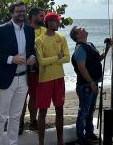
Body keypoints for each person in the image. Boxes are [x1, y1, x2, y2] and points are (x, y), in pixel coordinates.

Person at [0, 1, 36, 145]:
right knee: (0, 117)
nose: (21, 14)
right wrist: (11, 59)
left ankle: (12, 143)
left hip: (23, 79)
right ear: (11, 13)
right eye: (18, 11)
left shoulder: (29, 30)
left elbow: (31, 50)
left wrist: (32, 57)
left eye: (23, 11)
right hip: (4, 79)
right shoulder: (2, 29)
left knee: (16, 116)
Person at [70, 25, 110, 145]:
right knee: (84, 111)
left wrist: (107, 47)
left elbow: (98, 58)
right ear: (77, 35)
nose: (83, 28)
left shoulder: (90, 45)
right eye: (80, 29)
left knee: (90, 111)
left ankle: (89, 133)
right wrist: (91, 82)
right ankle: (80, 137)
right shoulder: (80, 49)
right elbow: (82, 68)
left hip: (93, 83)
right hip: (85, 85)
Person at [35, 12, 70, 145]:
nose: (58, 23)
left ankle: (60, 141)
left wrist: (56, 59)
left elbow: (67, 58)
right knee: (42, 111)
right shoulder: (39, 40)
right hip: (44, 80)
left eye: (58, 21)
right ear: (49, 23)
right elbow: (41, 62)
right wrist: (57, 58)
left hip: (59, 78)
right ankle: (41, 143)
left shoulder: (62, 38)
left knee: (59, 109)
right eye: (56, 21)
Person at [19, 7, 46, 134]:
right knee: (21, 97)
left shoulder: (45, 31)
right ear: (33, 16)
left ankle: (33, 121)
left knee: (34, 97)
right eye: (41, 16)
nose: (43, 18)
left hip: (38, 70)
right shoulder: (22, 30)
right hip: (23, 69)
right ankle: (19, 122)